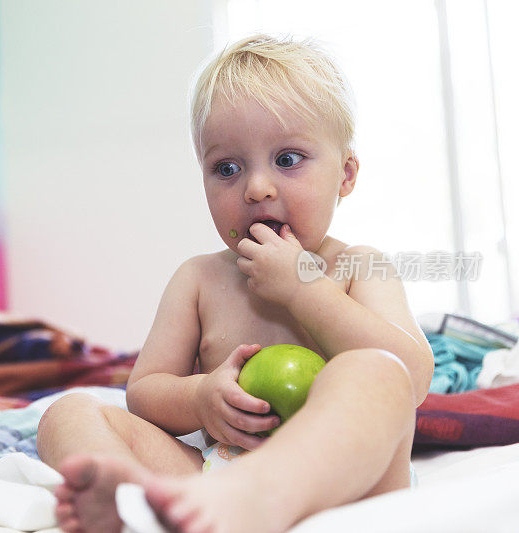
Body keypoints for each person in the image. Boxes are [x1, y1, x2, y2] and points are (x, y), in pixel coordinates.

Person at [36, 34, 435, 533]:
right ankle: (127, 505)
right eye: (227, 168)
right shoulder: (199, 279)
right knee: (69, 411)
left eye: (288, 160)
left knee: (378, 371)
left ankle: (262, 495)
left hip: (352, 490)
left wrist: (306, 290)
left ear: (346, 176)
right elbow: (145, 391)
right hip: (217, 480)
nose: (256, 188)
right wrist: (202, 396)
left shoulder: (359, 266)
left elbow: (413, 375)